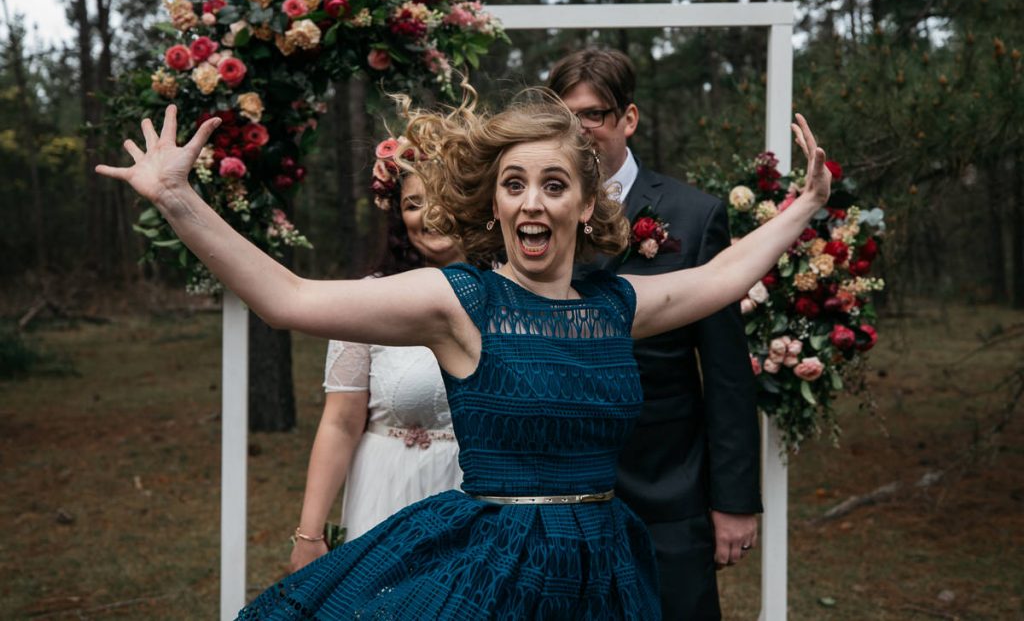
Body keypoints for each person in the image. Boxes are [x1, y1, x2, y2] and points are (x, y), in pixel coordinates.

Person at [96, 91, 829, 619]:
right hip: (498, 572)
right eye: (515, 185)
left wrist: (805, 205)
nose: (532, 202)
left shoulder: (615, 307)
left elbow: (722, 276)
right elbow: (287, 298)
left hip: (604, 568)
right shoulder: (460, 303)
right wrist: (177, 199)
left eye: (553, 185)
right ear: (496, 205)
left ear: (584, 204)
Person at [548, 48, 761, 619]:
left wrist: (734, 500)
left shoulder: (693, 215)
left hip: (666, 486)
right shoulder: (532, 210)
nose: (579, 130)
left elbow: (726, 373)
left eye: (593, 114)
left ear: (629, 118)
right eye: (565, 117)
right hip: (558, 488)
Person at [290, 166, 466, 572]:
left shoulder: (511, 293)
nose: (428, 213)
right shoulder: (367, 299)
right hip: (389, 489)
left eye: (442, 196)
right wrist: (309, 534)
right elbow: (340, 423)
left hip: (475, 493)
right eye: (413, 204)